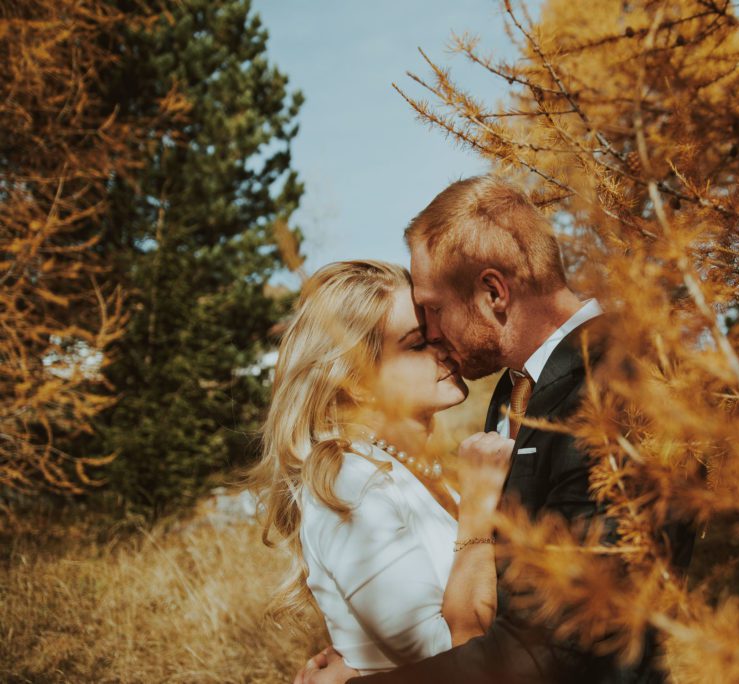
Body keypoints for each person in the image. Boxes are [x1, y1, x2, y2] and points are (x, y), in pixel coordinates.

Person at [298, 176, 696, 683]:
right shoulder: (515, 390)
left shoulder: (617, 388)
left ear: (493, 293)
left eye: (435, 311)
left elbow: (568, 643)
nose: (436, 336)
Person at [251, 259, 517, 679]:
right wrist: (480, 508)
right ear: (355, 380)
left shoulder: (425, 469)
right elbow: (456, 655)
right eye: (416, 344)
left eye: (436, 333)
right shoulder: (347, 482)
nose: (445, 349)